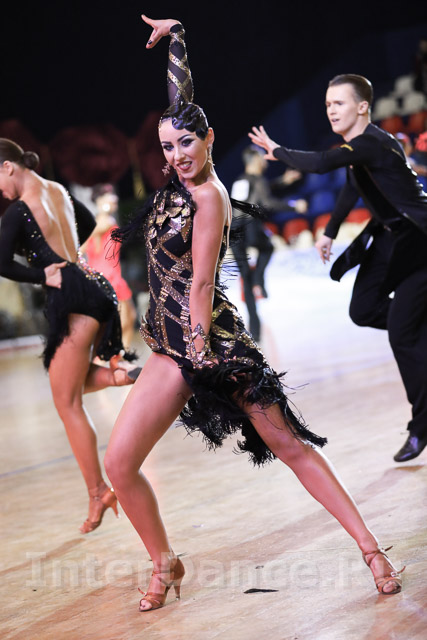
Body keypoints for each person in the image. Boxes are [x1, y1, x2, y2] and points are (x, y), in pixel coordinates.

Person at [105, 18, 403, 613]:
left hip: (212, 345)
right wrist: (177, 38)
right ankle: (165, 562)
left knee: (289, 446)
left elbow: (202, 283)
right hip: (171, 348)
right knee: (119, 463)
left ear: (209, 139)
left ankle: (372, 551)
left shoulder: (209, 196)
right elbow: (180, 100)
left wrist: (198, 350)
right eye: (167, 147)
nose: (177, 156)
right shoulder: (179, 165)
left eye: (186, 144)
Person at [249, 73, 427, 464]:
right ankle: (416, 325)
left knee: (402, 334)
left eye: (339, 103)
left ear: (363, 106)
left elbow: (321, 164)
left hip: (417, 241)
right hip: (389, 239)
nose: (331, 110)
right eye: (328, 104)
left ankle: (421, 425)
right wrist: (329, 231)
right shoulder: (359, 151)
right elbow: (351, 186)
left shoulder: (373, 143)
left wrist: (278, 151)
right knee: (362, 309)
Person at [0, 139, 140, 533]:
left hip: (71, 298)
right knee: (68, 384)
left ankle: (98, 491)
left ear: (8, 167)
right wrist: (70, 255)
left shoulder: (18, 210)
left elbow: (1, 262)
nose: (0, 191)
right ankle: (120, 375)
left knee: (67, 403)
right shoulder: (58, 190)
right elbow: (89, 220)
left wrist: (41, 273)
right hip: (95, 287)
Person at [230, 145, 307, 340]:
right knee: (268, 248)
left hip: (233, 231)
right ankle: (259, 280)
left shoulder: (240, 180)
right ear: (256, 160)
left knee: (245, 276)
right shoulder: (257, 180)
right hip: (250, 227)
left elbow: (260, 191)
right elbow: (267, 201)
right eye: (263, 157)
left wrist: (282, 181)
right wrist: (294, 206)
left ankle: (255, 330)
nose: (265, 161)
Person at [82, 183, 137, 350]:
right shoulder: (105, 221)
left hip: (109, 276)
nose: (115, 198)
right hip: (109, 277)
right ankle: (117, 356)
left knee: (129, 318)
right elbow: (83, 245)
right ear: (100, 200)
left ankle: (121, 355)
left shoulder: (101, 220)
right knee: (122, 322)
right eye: (110, 195)